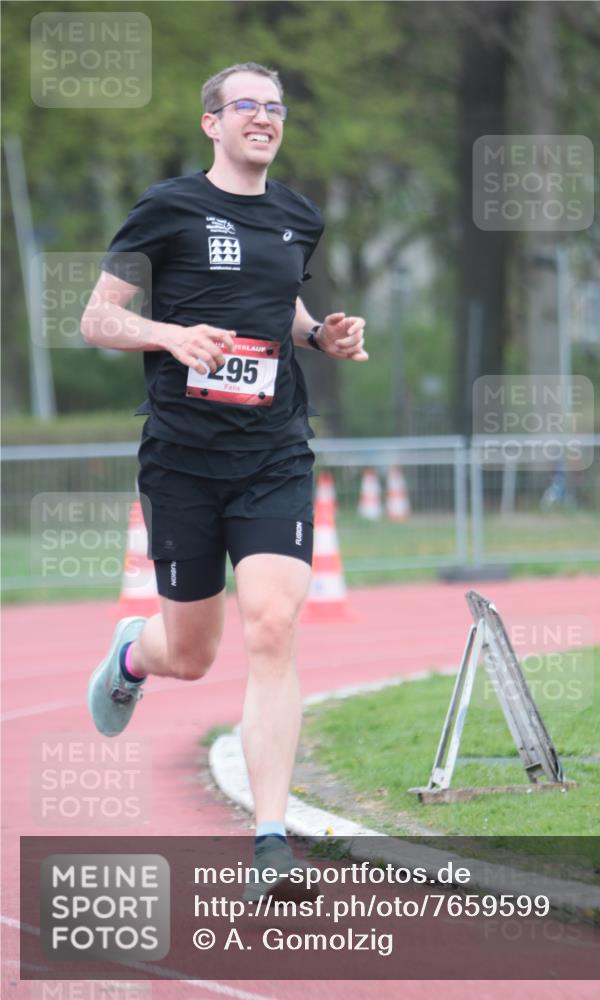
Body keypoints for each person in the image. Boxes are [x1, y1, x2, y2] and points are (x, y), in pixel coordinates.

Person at [82, 61, 367, 895]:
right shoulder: (167, 208)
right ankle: (135, 655)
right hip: (182, 460)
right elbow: (98, 317)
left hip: (274, 452)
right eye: (246, 106)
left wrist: (322, 337)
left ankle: (270, 842)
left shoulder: (296, 216)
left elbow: (276, 304)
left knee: (272, 625)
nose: (263, 118)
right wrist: (170, 337)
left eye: (274, 108)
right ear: (211, 121)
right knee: (194, 654)